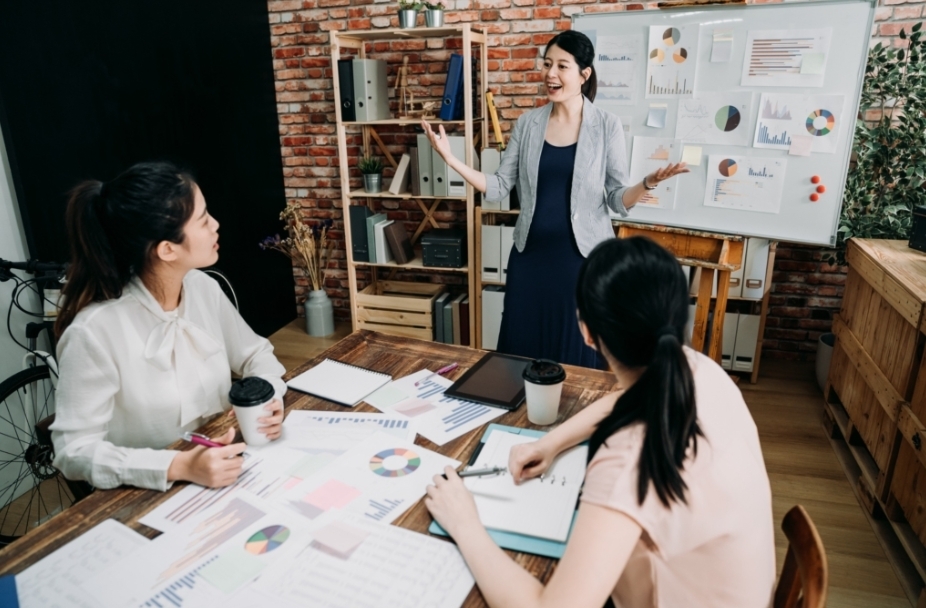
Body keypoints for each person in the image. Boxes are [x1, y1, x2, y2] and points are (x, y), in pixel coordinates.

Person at [425, 236, 776, 608]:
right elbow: (621, 400)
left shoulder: (628, 459)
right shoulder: (697, 369)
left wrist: (465, 524)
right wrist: (548, 443)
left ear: (587, 332)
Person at [422, 31, 688, 367]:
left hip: (580, 261)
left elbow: (618, 199)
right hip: (530, 258)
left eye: (562, 66)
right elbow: (500, 185)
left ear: (584, 74)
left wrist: (648, 182)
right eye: (547, 64)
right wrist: (452, 159)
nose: (551, 73)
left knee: (578, 354)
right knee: (521, 354)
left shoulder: (606, 125)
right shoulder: (528, 124)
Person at [51, 161, 287, 492]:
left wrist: (269, 398)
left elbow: (257, 355)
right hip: (147, 493)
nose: (216, 225)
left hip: (230, 468)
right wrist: (178, 466)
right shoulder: (94, 332)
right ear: (167, 249)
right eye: (204, 220)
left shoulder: (203, 288)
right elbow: (73, 451)